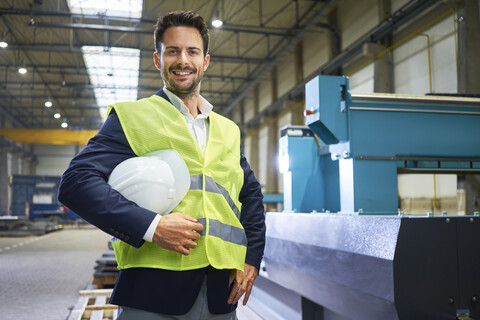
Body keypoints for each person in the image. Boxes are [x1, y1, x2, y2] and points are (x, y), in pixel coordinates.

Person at [58, 10, 265, 320]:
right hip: (152, 293)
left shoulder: (228, 130)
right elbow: (76, 183)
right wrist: (152, 227)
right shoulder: (133, 117)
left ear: (205, 61)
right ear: (158, 59)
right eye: (173, 51)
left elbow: (251, 197)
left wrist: (251, 258)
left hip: (221, 297)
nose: (183, 60)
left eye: (192, 51)